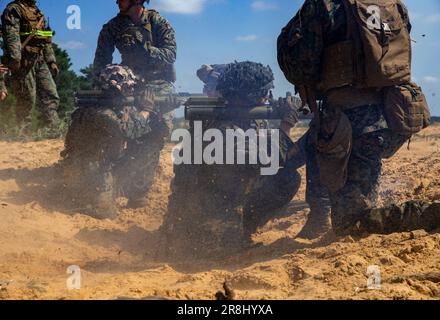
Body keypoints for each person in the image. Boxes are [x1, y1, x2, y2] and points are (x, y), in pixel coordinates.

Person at [278, 0, 440, 237]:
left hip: (349, 121)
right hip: (391, 114)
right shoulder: (393, 4)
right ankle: (327, 216)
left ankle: (432, 215)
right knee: (354, 181)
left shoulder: (324, 5)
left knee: (350, 223)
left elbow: (302, 67)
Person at [160, 61, 301, 256]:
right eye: (265, 92)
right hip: (204, 231)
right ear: (253, 95)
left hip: (198, 212)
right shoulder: (226, 130)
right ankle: (233, 236)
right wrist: (286, 124)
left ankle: (237, 230)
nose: (269, 97)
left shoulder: (226, 117)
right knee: (287, 179)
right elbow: (265, 161)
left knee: (286, 175)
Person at [93, 0, 177, 208]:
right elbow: (100, 61)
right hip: (127, 80)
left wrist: (146, 49)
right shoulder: (113, 26)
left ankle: (138, 191)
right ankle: (110, 184)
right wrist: (107, 84)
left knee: (155, 132)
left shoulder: (158, 22)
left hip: (158, 82)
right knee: (117, 128)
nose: (116, 1)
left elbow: (171, 54)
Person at [61, 64, 159, 219]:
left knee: (146, 149)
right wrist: (147, 110)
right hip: (91, 173)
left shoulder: (100, 107)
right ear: (115, 88)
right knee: (105, 213)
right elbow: (131, 131)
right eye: (127, 87)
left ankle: (132, 194)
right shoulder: (103, 113)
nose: (131, 91)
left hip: (89, 167)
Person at [1, 0, 60, 128]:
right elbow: (12, 37)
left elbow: (46, 39)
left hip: (40, 59)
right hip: (23, 61)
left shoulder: (38, 13)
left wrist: (51, 61)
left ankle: (53, 129)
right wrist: (15, 59)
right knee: (27, 98)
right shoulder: (14, 9)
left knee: (51, 94)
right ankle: (23, 133)